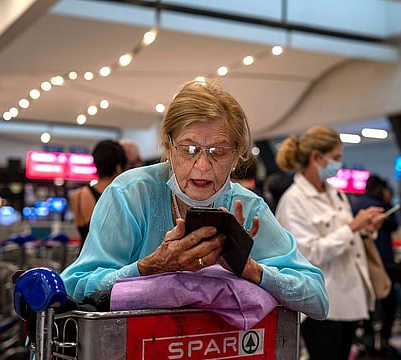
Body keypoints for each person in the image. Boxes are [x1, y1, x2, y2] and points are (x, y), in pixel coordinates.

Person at [60, 78, 329, 323]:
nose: (202, 166)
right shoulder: (131, 194)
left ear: (237, 157)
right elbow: (74, 286)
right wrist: (150, 267)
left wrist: (253, 270)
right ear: (168, 147)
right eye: (189, 150)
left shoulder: (247, 207)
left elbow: (317, 299)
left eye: (218, 151)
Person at [274, 126, 385, 360]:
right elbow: (308, 254)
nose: (339, 164)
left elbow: (347, 237)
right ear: (316, 157)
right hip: (322, 302)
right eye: (335, 158)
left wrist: (365, 231)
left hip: (349, 299)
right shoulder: (293, 201)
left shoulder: (336, 194)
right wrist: (352, 227)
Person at [352, 175, 400, 357]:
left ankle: (368, 337)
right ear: (380, 189)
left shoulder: (356, 205)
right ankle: (385, 339)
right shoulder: (382, 206)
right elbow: (394, 226)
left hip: (362, 260)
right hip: (383, 259)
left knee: (367, 300)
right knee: (388, 300)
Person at [70, 139, 127, 245]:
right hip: (108, 260)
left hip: (82, 259)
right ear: (118, 167)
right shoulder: (119, 196)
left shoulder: (78, 195)